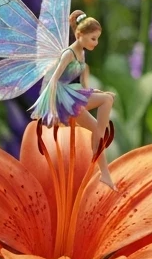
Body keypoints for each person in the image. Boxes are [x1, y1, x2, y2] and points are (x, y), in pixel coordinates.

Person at [30, 10, 116, 188]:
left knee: (106, 101)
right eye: (93, 38)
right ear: (79, 35)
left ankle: (100, 154)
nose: (96, 43)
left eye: (97, 38)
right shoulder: (67, 54)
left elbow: (85, 85)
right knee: (97, 125)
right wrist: (51, 108)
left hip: (75, 93)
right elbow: (53, 80)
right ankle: (103, 168)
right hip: (63, 97)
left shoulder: (82, 55)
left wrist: (98, 93)